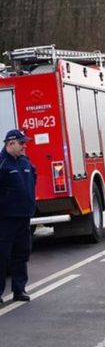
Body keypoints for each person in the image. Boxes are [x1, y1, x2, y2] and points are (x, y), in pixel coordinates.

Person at [0, 129, 36, 303]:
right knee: (2, 255)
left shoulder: (25, 163)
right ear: (10, 143)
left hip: (23, 217)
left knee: (22, 253)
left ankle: (19, 289)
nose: (24, 146)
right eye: (21, 143)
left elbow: (33, 180)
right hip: (5, 219)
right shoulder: (2, 164)